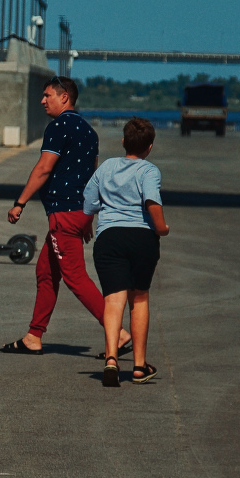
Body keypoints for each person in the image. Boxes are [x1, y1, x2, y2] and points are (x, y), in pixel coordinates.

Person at [1, 75, 131, 357]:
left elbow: (44, 168)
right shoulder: (89, 131)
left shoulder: (58, 126)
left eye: (47, 95)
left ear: (64, 97)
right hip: (78, 212)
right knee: (46, 271)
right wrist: (89, 214)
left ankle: (118, 333)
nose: (42, 100)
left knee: (75, 277)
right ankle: (34, 336)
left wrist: (20, 203)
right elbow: (92, 176)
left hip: (64, 214)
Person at [84, 117, 170, 387]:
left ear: (123, 142)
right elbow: (152, 200)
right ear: (150, 147)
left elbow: (89, 202)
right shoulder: (149, 171)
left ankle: (111, 357)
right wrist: (162, 228)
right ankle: (139, 366)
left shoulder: (107, 167)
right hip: (141, 238)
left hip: (109, 237)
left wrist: (97, 213)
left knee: (113, 300)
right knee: (139, 299)